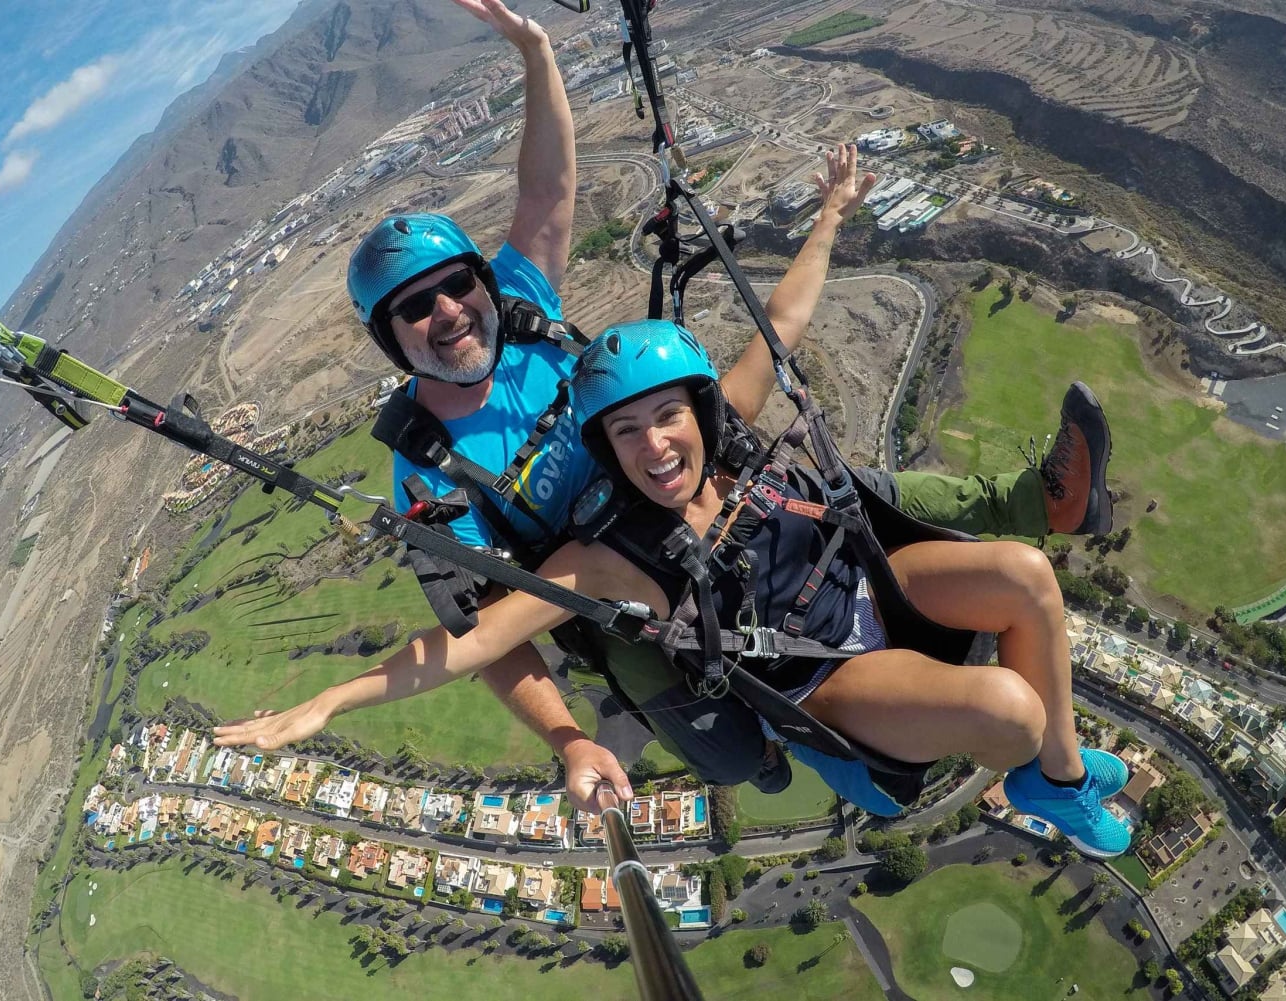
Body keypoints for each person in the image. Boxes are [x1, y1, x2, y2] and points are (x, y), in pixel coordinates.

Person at [340, 0, 1114, 810]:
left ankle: (1042, 507)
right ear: (391, 337)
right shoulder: (430, 469)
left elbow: (549, 193)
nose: (449, 311)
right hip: (630, 574)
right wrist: (568, 739)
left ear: (481, 282)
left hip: (690, 484)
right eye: (416, 308)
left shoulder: (522, 315)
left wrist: (536, 52)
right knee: (689, 655)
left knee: (847, 494)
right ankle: (789, 734)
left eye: (457, 285)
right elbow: (486, 635)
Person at [216, 318, 1132, 857]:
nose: (655, 446)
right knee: (1013, 712)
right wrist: (330, 701)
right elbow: (472, 642)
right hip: (820, 676)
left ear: (699, 414)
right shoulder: (607, 556)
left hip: (860, 592)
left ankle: (1061, 776)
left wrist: (830, 215)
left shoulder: (728, 453)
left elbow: (781, 318)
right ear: (605, 452)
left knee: (1026, 573)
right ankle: (1049, 772)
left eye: (668, 418)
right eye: (626, 434)